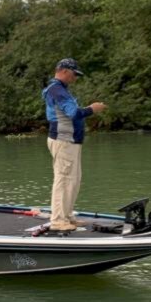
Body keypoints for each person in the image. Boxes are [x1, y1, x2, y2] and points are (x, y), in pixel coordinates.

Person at [42, 58, 105, 232]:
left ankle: (67, 215)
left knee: (73, 180)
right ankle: (58, 220)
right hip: (63, 141)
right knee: (63, 180)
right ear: (63, 70)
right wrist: (92, 109)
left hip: (71, 142)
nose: (75, 78)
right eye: (74, 74)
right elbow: (73, 114)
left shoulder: (61, 90)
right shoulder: (57, 90)